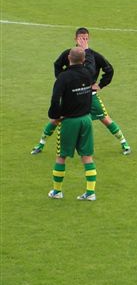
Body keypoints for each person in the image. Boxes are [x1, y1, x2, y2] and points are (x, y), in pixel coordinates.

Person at [31, 27, 131, 156]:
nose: (83, 41)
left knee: (105, 118)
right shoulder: (70, 54)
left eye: (86, 38)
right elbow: (57, 65)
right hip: (71, 96)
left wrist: (100, 85)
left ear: (89, 39)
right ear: (75, 39)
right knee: (56, 119)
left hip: (90, 95)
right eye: (81, 38)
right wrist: (62, 80)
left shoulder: (94, 56)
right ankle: (40, 144)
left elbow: (109, 70)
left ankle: (124, 143)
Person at [46, 47, 97, 201]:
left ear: (68, 57)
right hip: (86, 120)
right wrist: (86, 50)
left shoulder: (63, 77)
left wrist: (55, 115)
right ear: (83, 60)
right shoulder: (89, 73)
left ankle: (57, 191)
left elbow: (55, 99)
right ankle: (90, 193)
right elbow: (91, 64)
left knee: (61, 156)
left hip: (69, 121)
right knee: (87, 156)